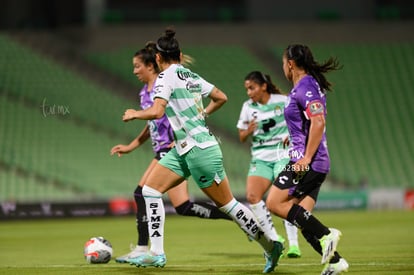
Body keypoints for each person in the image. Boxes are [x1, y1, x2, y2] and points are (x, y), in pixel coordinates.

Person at [121, 27, 284, 273]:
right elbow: (221, 97)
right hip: (183, 149)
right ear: (179, 54)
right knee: (150, 190)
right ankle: (156, 253)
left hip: (200, 150)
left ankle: (270, 246)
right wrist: (202, 113)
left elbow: (157, 112)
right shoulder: (190, 75)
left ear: (157, 58)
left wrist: (135, 114)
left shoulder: (165, 78)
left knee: (228, 205)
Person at [110, 42, 232, 263]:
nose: (134, 71)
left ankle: (142, 249)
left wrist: (141, 117)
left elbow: (162, 114)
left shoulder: (163, 84)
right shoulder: (144, 92)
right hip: (164, 150)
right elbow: (152, 125)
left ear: (150, 65)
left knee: (142, 193)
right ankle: (231, 214)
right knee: (183, 207)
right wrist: (131, 146)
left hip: (173, 149)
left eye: (137, 66)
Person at [265, 44, 349, 275]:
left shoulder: (306, 86)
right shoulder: (305, 86)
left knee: (273, 203)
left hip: (308, 162)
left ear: (290, 64)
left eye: (284, 63)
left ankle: (327, 234)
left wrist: (306, 157)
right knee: (302, 220)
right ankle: (336, 263)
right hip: (313, 161)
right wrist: (291, 137)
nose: (284, 67)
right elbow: (307, 121)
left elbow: (318, 121)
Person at [237, 71, 301, 258]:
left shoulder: (283, 100)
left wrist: (293, 137)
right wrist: (248, 130)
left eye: (252, 88)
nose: (249, 92)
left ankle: (294, 245)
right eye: (247, 89)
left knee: (285, 198)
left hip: (283, 155)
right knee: (252, 196)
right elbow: (241, 137)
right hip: (261, 156)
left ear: (263, 86)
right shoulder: (248, 107)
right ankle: (275, 239)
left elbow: (298, 122)